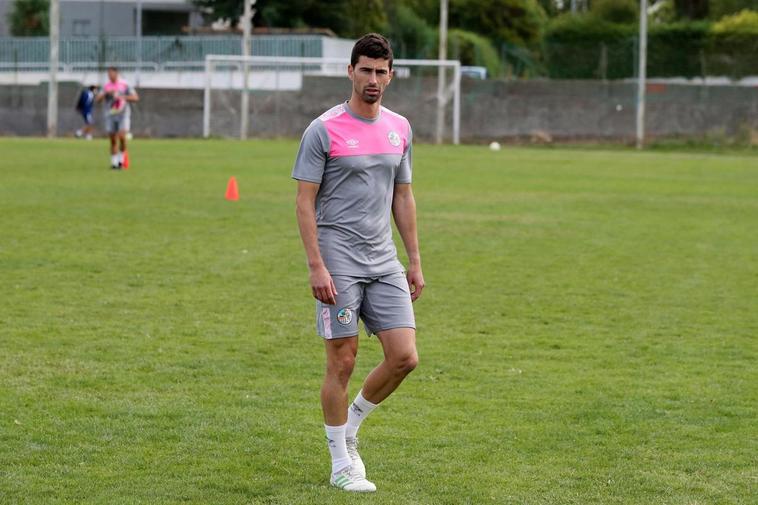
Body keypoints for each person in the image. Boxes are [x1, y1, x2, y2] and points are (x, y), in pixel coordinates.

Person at [292, 33, 425, 493]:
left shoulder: (400, 128)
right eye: (364, 70)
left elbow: (403, 197)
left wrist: (414, 260)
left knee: (405, 357)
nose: (373, 79)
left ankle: (349, 428)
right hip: (338, 262)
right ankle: (340, 463)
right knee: (343, 362)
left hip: (384, 260)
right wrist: (316, 266)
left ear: (391, 74)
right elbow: (304, 202)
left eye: (380, 71)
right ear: (350, 72)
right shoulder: (323, 129)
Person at [96, 67, 138, 169]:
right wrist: (106, 93)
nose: (110, 76)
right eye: (108, 74)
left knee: (122, 136)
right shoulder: (106, 86)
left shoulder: (125, 84)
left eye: (111, 73)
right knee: (113, 139)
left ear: (116, 73)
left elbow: (135, 97)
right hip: (110, 115)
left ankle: (121, 161)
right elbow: (98, 99)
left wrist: (122, 97)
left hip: (123, 114)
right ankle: (114, 163)